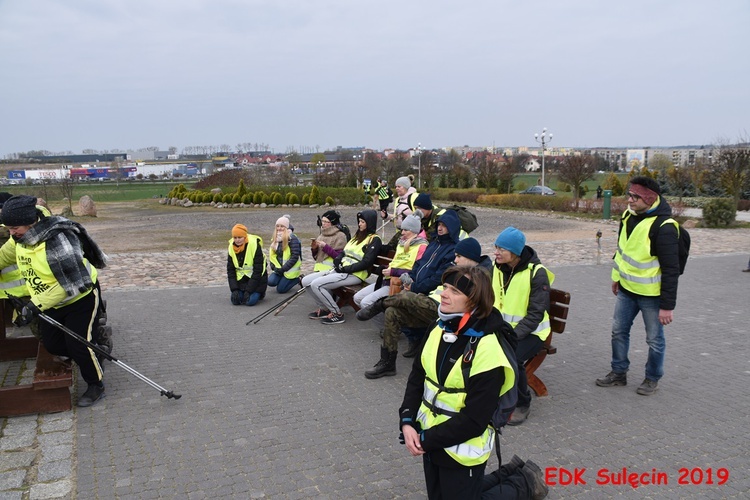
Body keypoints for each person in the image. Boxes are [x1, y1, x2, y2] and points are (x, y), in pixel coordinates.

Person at [398, 265, 517, 500]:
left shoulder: (488, 349)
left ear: (474, 301)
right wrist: (407, 420)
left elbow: (475, 420)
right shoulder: (438, 327)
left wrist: (425, 439)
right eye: (445, 287)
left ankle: (523, 484)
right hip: (431, 443)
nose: (443, 294)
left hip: (462, 452)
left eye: (454, 291)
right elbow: (417, 378)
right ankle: (517, 475)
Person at [0, 195, 108, 407]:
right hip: (51, 302)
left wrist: (34, 306)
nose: (11, 233)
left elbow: (69, 285)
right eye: (8, 228)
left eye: (14, 227)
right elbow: (3, 256)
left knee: (78, 344)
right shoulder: (20, 239)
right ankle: (94, 353)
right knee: (53, 344)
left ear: (31, 222)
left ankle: (96, 384)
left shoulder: (58, 240)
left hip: (80, 298)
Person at [596, 176, 681, 396]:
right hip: (626, 290)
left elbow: (671, 270)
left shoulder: (665, 227)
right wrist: (616, 277)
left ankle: (652, 378)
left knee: (654, 339)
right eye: (629, 195)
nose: (630, 200)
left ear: (649, 199)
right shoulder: (628, 216)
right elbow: (622, 251)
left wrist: (667, 306)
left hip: (651, 296)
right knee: (618, 332)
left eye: (635, 197)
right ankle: (618, 372)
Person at [359, 213, 468, 378]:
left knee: (406, 297)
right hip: (419, 297)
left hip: (438, 305)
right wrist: (410, 280)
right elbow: (418, 265)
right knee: (392, 313)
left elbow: (439, 277)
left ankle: (379, 304)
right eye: (438, 224)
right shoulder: (434, 244)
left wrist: (414, 287)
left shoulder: (454, 251)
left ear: (452, 228)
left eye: (444, 225)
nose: (439, 228)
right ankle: (387, 363)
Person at [491, 227, 554, 426]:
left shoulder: (537, 273)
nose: (496, 252)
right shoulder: (498, 268)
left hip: (533, 333)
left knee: (512, 356)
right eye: (496, 247)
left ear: (515, 252)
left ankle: (522, 403)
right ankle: (494, 395)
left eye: (502, 249)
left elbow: (535, 314)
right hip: (505, 329)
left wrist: (512, 335)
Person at [306, 210, 382, 325]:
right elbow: (344, 253)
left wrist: (345, 268)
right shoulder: (357, 236)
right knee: (306, 281)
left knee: (316, 284)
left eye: (362, 222)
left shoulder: (374, 240)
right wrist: (337, 262)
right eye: (359, 221)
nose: (359, 224)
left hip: (354, 274)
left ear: (369, 223)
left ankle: (336, 313)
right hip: (341, 271)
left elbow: (366, 262)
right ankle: (324, 308)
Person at [352, 213, 428, 311]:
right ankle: (384, 318)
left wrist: (393, 272)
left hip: (400, 284)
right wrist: (384, 267)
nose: (402, 233)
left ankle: (387, 323)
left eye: (405, 230)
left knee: (366, 303)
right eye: (402, 229)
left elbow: (417, 271)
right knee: (357, 298)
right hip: (387, 280)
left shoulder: (422, 246)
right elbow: (396, 262)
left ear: (413, 231)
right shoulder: (402, 243)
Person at [227, 223, 267, 306]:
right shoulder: (231, 247)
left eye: (240, 237)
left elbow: (258, 270)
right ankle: (244, 291)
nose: (237, 240)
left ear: (245, 237)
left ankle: (260, 293)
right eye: (235, 237)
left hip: (257, 280)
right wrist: (234, 289)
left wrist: (249, 290)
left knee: (249, 302)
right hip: (242, 280)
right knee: (236, 301)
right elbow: (230, 270)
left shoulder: (254, 245)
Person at [267, 215, 302, 294]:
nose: (279, 228)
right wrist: (273, 266)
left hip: (289, 269)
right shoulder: (275, 238)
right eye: (277, 226)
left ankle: (297, 279)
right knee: (270, 282)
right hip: (279, 269)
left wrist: (283, 269)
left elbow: (294, 257)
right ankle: (282, 278)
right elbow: (272, 255)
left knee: (281, 290)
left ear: (286, 227)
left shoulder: (292, 239)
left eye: (282, 226)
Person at [307, 210, 347, 275]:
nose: (323, 223)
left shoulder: (340, 236)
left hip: (331, 272)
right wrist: (314, 249)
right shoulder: (321, 235)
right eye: (322, 221)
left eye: (326, 221)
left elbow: (340, 257)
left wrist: (326, 247)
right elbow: (315, 257)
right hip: (317, 270)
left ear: (332, 222)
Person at [386, 175, 418, 250]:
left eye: (399, 186)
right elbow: (396, 217)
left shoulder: (414, 197)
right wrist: (386, 216)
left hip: (411, 234)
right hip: (400, 232)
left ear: (406, 187)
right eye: (396, 186)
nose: (396, 188)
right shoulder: (398, 200)